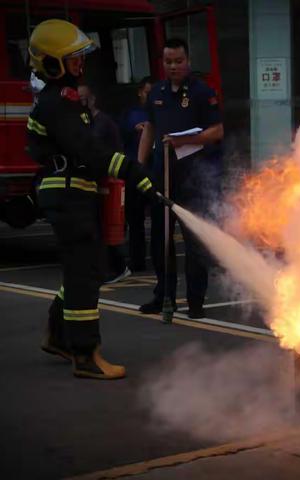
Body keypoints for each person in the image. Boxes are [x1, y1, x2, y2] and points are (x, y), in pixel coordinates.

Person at [27, 19, 161, 379]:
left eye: (80, 58)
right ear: (52, 63)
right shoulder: (58, 103)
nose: (80, 64)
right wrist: (132, 172)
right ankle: (86, 355)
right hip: (68, 194)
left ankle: (58, 336)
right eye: (72, 59)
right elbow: (89, 149)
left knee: (83, 268)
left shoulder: (65, 100)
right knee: (85, 273)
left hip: (74, 192)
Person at [138, 38, 224, 318]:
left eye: (178, 61)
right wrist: (139, 166)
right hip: (163, 176)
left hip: (193, 179)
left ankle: (196, 301)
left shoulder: (201, 92)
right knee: (160, 241)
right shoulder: (157, 93)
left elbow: (217, 131)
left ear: (188, 61)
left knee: (194, 241)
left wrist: (186, 139)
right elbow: (149, 128)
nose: (173, 66)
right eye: (168, 62)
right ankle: (164, 296)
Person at [77, 83, 131, 284]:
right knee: (95, 226)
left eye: (84, 99)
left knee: (109, 225)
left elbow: (117, 151)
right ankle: (103, 266)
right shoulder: (82, 122)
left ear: (92, 99)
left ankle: (118, 266)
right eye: (78, 99)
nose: (81, 103)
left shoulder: (105, 123)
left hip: (108, 181)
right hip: (90, 182)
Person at [120, 77, 154, 272]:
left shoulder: (159, 112)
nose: (150, 96)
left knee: (160, 219)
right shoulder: (131, 114)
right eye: (147, 92)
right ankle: (137, 260)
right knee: (135, 220)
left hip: (154, 171)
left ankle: (160, 258)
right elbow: (124, 132)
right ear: (140, 92)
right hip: (135, 173)